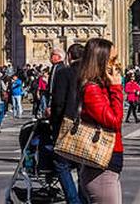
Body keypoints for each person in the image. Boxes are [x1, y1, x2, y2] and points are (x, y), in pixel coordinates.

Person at [76, 38, 124, 204]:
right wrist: (117, 88)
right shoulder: (92, 89)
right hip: (101, 166)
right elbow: (114, 121)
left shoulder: (101, 87)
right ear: (100, 60)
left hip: (107, 166)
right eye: (113, 59)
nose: (117, 64)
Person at [48, 42, 84, 204]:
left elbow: (58, 104)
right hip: (87, 125)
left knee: (61, 163)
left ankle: (73, 200)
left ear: (69, 56)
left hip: (67, 123)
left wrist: (53, 123)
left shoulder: (64, 73)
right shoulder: (92, 74)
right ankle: (84, 199)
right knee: (83, 164)